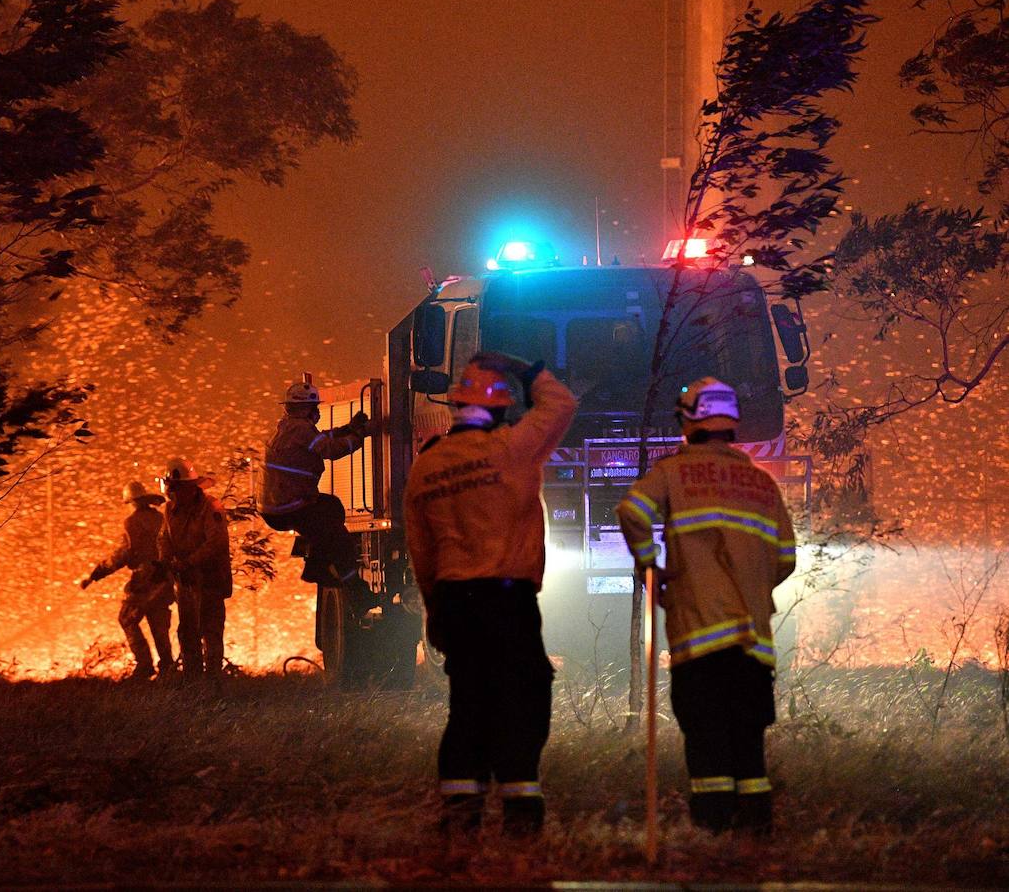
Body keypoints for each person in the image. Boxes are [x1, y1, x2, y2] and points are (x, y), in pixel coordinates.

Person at [403, 352, 578, 836]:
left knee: (468, 705)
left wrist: (435, 610)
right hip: (507, 600)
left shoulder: (427, 466)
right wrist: (527, 370)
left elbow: (421, 551)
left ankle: (461, 817)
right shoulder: (513, 448)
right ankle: (522, 814)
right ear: (501, 409)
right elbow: (560, 405)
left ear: (457, 405)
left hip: (456, 601)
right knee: (523, 700)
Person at [615, 377, 796, 835]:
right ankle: (756, 836)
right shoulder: (761, 483)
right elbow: (787, 559)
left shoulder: (675, 472)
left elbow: (632, 511)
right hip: (753, 643)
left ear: (689, 421)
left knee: (708, 739)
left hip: (699, 638)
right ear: (731, 424)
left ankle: (714, 837)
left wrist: (649, 568)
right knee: (749, 747)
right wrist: (752, 586)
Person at [260, 377, 370, 596]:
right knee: (339, 539)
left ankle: (316, 566)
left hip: (279, 506)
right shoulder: (299, 429)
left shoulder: (287, 427)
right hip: (290, 506)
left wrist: (347, 428)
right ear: (305, 409)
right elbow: (330, 449)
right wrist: (358, 436)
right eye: (314, 407)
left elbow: (321, 438)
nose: (316, 412)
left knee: (331, 509)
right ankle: (355, 591)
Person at [79, 481, 176, 681]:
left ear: (131, 502)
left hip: (144, 582)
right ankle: (168, 669)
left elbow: (124, 553)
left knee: (127, 618)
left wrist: (95, 574)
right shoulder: (161, 518)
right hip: (164, 579)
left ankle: (144, 665)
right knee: (159, 626)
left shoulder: (132, 522)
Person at [158, 457, 233, 681]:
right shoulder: (170, 510)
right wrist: (164, 561)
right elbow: (164, 538)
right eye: (171, 487)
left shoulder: (211, 508)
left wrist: (189, 562)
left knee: (211, 631)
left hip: (210, 580)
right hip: (186, 582)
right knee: (188, 632)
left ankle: (212, 683)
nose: (172, 493)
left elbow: (216, 542)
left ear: (190, 487)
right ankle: (193, 682)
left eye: (176, 488)